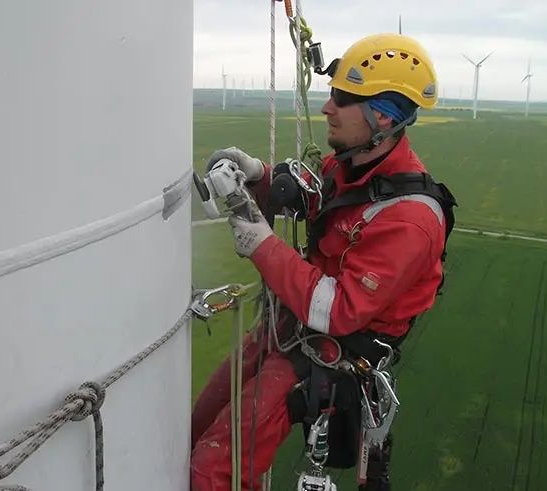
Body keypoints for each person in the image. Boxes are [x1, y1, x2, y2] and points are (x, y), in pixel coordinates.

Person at [191, 33, 456, 491]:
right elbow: (317, 198)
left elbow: (335, 310)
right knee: (195, 425)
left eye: (342, 98)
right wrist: (258, 178)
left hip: (330, 354)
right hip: (291, 330)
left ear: (382, 117)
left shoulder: (410, 220)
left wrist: (259, 241)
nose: (327, 108)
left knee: (212, 473)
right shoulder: (354, 166)